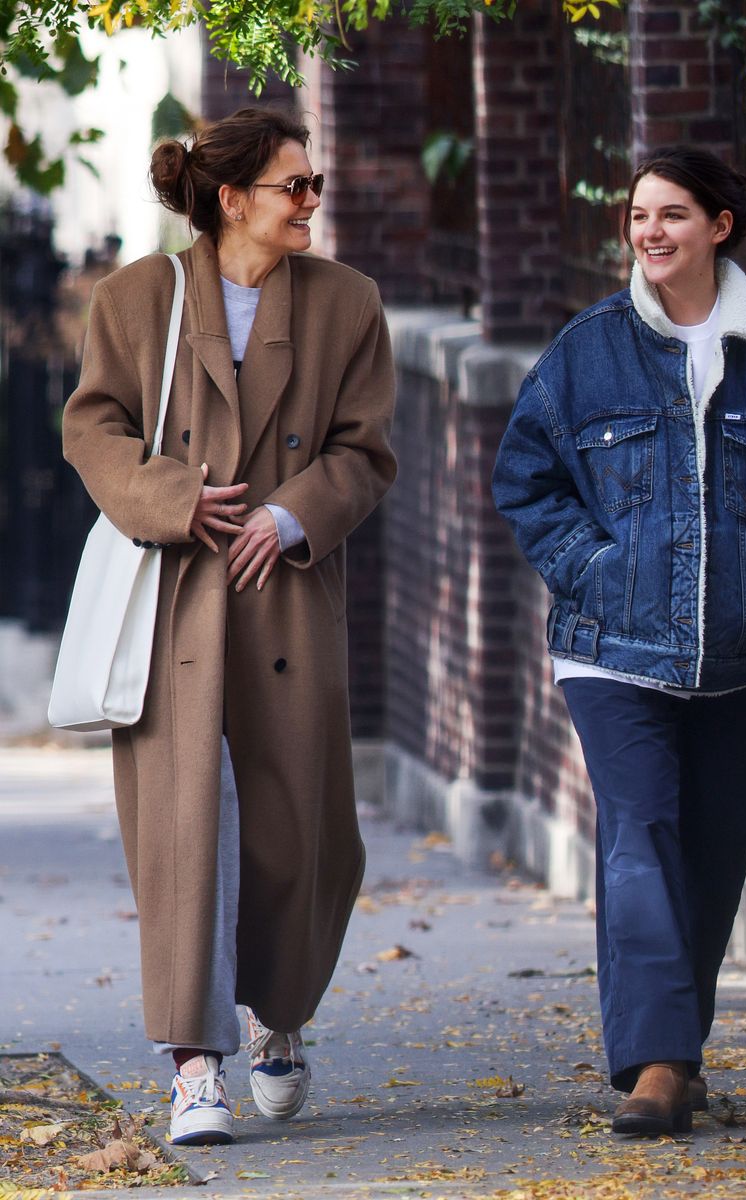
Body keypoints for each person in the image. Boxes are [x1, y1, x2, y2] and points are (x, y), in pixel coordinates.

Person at [492, 146, 746, 1136]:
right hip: (613, 650)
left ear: (719, 227)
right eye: (639, 215)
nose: (650, 232)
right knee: (642, 831)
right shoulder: (589, 350)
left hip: (739, 656)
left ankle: (675, 1050)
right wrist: (595, 569)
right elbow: (526, 475)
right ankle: (658, 1064)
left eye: (673, 216)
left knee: (714, 849)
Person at [62, 107, 397, 1145]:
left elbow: (365, 450)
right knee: (183, 831)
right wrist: (173, 498)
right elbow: (93, 426)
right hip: (175, 604)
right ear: (232, 197)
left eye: (315, 187)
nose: (311, 203)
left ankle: (279, 1013)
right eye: (294, 187)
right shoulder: (137, 298)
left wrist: (295, 514)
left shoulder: (349, 304)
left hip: (288, 594)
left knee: (305, 830)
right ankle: (193, 1065)